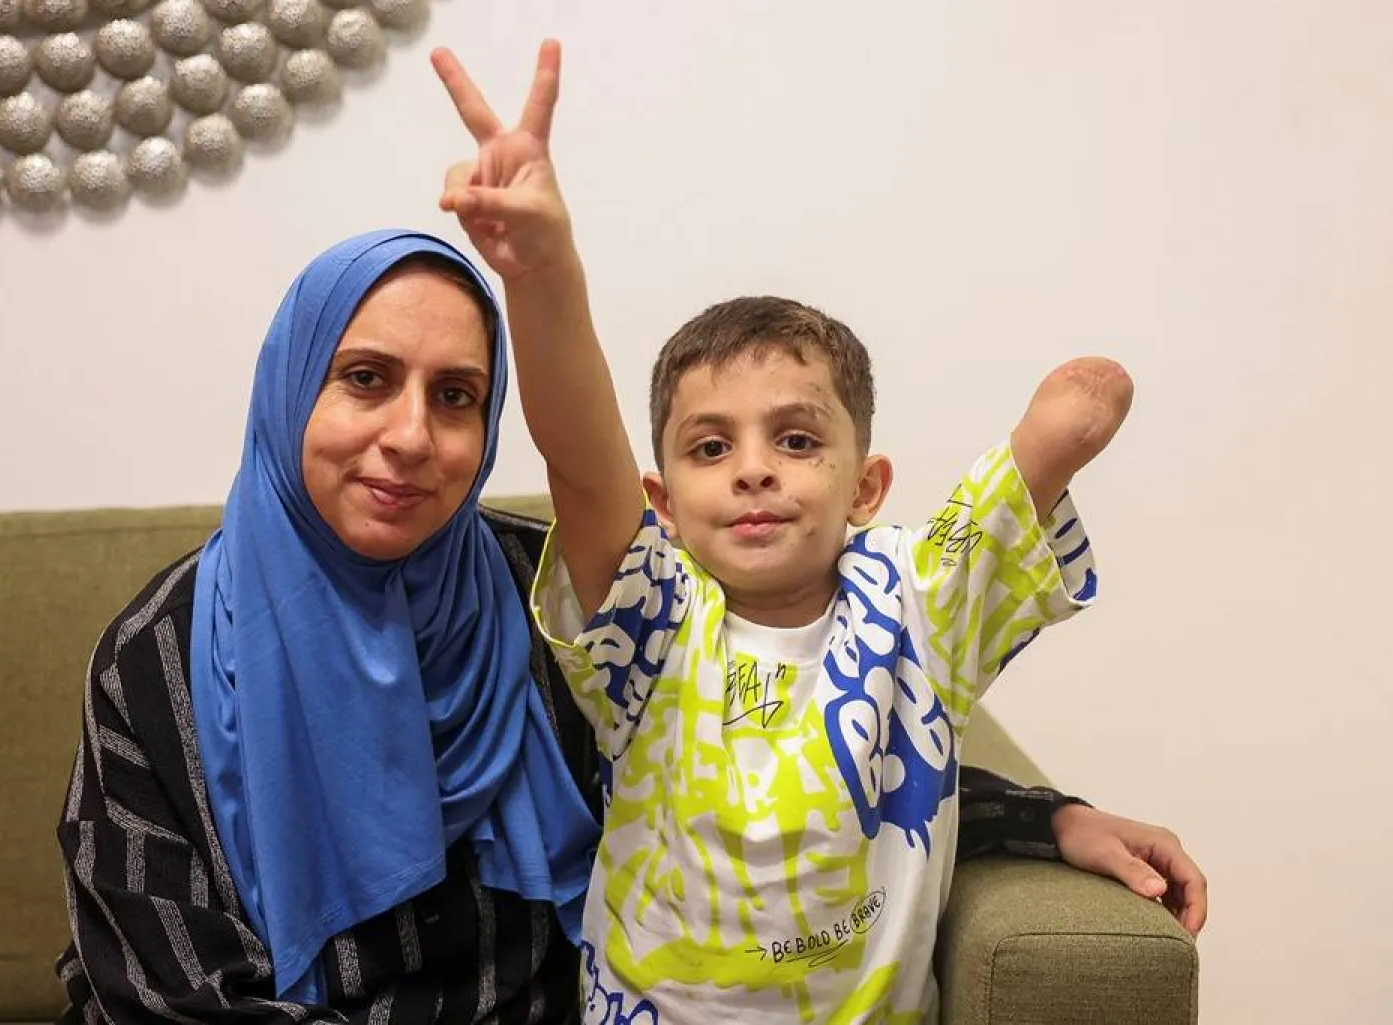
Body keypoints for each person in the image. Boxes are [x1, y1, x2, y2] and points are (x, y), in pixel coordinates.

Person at [53, 76, 1204, 1025]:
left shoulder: (526, 594)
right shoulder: (160, 655)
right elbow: (156, 987)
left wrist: (1046, 817)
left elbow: (770, 760)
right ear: (287, 388)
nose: (410, 434)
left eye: (457, 395)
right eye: (364, 379)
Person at [433, 40, 1163, 1025]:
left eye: (795, 437)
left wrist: (1051, 444)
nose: (753, 467)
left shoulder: (913, 600)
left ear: (865, 487)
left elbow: (1023, 481)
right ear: (662, 503)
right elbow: (578, 452)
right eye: (709, 446)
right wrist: (544, 272)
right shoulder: (650, 623)